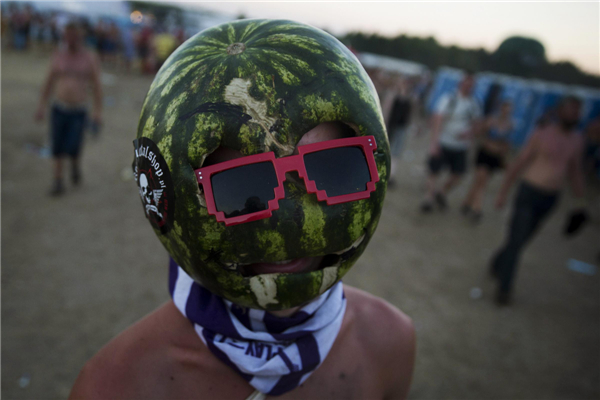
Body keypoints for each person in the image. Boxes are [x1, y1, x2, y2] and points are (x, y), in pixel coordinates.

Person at [69, 19, 415, 400]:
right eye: (238, 185)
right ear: (169, 204)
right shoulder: (116, 387)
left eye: (334, 167)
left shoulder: (391, 344)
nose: (292, 220)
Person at [490, 96, 587, 305]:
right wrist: (503, 192)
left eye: (577, 111)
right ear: (560, 111)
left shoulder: (577, 141)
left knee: (522, 239)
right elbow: (520, 162)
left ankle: (498, 262)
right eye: (570, 110)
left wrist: (581, 203)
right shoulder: (542, 135)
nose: (574, 115)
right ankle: (504, 289)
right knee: (517, 238)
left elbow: (575, 172)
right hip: (529, 191)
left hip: (550, 198)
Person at [34, 21, 102, 196]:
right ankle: (58, 181)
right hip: (59, 108)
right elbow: (49, 82)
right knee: (57, 146)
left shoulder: (89, 57)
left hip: (78, 111)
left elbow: (96, 86)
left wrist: (97, 112)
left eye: (74, 36)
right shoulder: (59, 55)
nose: (70, 39)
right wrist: (41, 105)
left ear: (80, 37)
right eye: (67, 35)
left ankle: (75, 165)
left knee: (73, 146)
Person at [421, 72, 482, 212]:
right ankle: (428, 198)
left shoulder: (474, 104)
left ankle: (441, 192)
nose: (468, 87)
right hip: (444, 141)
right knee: (434, 172)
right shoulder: (449, 99)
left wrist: (470, 133)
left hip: (461, 146)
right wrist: (434, 142)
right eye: (467, 83)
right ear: (461, 83)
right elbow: (437, 120)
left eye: (471, 84)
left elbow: (477, 123)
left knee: (458, 174)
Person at [461, 101, 514, 222]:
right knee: (482, 180)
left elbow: (507, 143)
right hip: (484, 153)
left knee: (479, 181)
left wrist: (503, 155)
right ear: (501, 109)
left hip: (495, 157)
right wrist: (485, 143)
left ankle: (467, 203)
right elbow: (479, 134)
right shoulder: (491, 121)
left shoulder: (509, 125)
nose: (506, 112)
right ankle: (477, 208)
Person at [382, 74, 413, 185]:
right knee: (388, 150)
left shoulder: (409, 97)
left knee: (396, 152)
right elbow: (387, 110)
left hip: (401, 128)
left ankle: (391, 175)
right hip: (391, 126)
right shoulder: (392, 94)